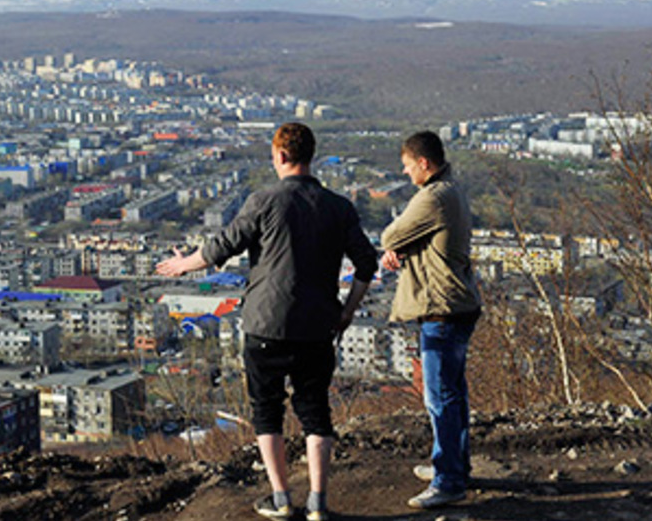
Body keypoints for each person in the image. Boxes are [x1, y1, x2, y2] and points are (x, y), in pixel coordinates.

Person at [157, 122, 377, 521]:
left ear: (279, 156)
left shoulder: (263, 200)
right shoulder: (338, 207)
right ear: (310, 155)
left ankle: (280, 498)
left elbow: (222, 246)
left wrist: (182, 265)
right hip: (317, 326)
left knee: (267, 411)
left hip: (265, 325)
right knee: (315, 411)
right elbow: (367, 263)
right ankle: (318, 503)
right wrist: (347, 310)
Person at [379, 130, 481, 510]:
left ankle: (449, 480)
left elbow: (391, 233)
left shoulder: (433, 197)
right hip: (456, 304)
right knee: (453, 393)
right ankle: (453, 464)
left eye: (407, 167)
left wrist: (395, 245)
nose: (405, 174)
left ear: (424, 163)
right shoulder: (451, 189)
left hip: (443, 308)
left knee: (439, 396)